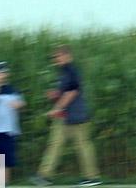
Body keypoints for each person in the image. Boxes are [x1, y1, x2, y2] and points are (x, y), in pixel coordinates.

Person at [32, 46, 100, 186]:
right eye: (55, 57)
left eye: (58, 56)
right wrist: (55, 95)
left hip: (73, 116)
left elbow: (72, 93)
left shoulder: (70, 70)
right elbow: (68, 92)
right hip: (68, 116)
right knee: (59, 146)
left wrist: (56, 108)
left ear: (68, 55)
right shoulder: (65, 72)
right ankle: (44, 176)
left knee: (80, 146)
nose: (56, 60)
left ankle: (92, 178)